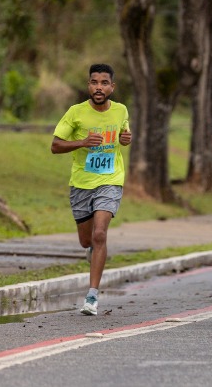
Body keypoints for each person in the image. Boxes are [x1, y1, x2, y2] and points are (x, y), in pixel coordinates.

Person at [51, 63, 132, 316]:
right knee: (87, 240)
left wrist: (125, 139)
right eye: (94, 82)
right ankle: (92, 251)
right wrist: (83, 142)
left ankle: (92, 296)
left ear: (112, 87)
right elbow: (55, 145)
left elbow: (124, 134)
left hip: (110, 180)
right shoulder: (76, 113)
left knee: (100, 235)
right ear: (89, 85)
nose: (99, 87)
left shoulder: (120, 110)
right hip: (81, 184)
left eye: (104, 83)